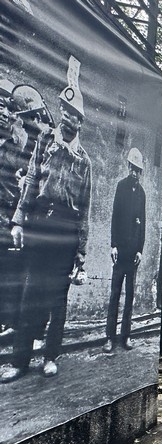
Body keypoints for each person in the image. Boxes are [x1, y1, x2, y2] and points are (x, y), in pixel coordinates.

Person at [1, 78, 92, 383]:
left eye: (75, 115)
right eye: (66, 112)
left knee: (57, 299)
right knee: (30, 294)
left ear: (81, 122)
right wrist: (17, 221)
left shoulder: (84, 160)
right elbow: (29, 183)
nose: (69, 119)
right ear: (61, 113)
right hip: (39, 224)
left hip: (66, 230)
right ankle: (19, 362)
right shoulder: (44, 143)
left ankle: (51, 357)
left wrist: (81, 250)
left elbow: (85, 206)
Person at [0, 83, 49, 336]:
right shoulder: (11, 143)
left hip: (28, 217)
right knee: (10, 268)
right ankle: (12, 323)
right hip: (10, 215)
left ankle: (30, 329)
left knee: (28, 272)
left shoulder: (38, 145)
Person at [103, 148, 146, 352]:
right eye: (132, 168)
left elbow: (143, 223)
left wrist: (140, 250)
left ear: (140, 172)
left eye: (138, 170)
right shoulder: (121, 187)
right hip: (120, 253)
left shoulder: (142, 194)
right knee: (114, 295)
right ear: (128, 167)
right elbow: (114, 217)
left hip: (133, 255)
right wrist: (113, 244)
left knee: (130, 296)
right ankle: (109, 338)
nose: (134, 173)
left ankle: (126, 336)